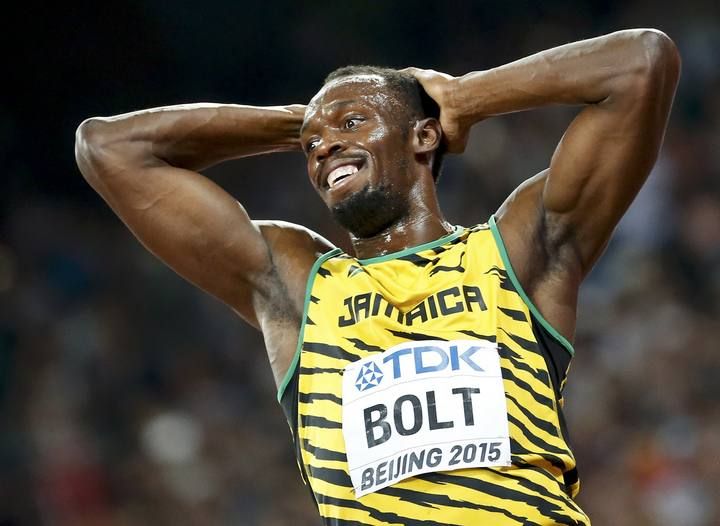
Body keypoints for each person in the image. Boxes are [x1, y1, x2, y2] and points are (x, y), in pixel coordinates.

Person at [75, 28, 680, 525]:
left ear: (422, 136)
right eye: (313, 146)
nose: (322, 150)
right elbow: (108, 149)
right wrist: (301, 120)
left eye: (351, 124)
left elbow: (640, 64)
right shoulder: (298, 284)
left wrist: (465, 98)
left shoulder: (514, 251)